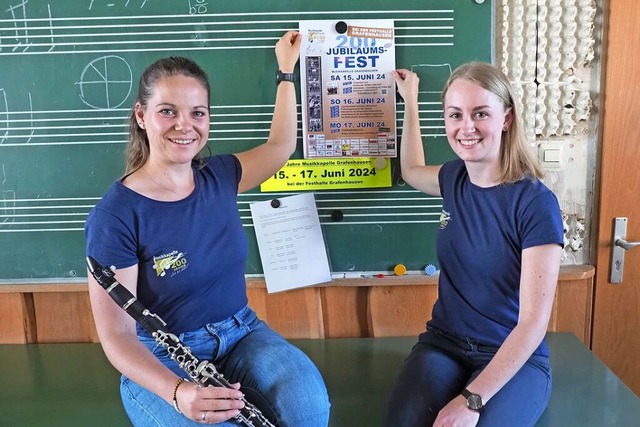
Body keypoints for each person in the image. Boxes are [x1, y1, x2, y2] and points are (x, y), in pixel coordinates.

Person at [84, 31, 330, 426]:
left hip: (242, 333)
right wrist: (179, 393)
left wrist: (286, 72)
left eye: (197, 112)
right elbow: (117, 336)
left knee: (309, 409)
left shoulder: (220, 176)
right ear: (141, 116)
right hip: (162, 359)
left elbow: (281, 147)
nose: (185, 125)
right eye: (167, 111)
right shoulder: (115, 216)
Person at [387, 63, 564, 427]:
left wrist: (471, 400)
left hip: (513, 357)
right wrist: (410, 104)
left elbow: (532, 323)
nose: (466, 127)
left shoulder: (535, 203)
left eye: (480, 113)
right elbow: (411, 169)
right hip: (445, 345)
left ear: (506, 118)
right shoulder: (453, 178)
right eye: (455, 115)